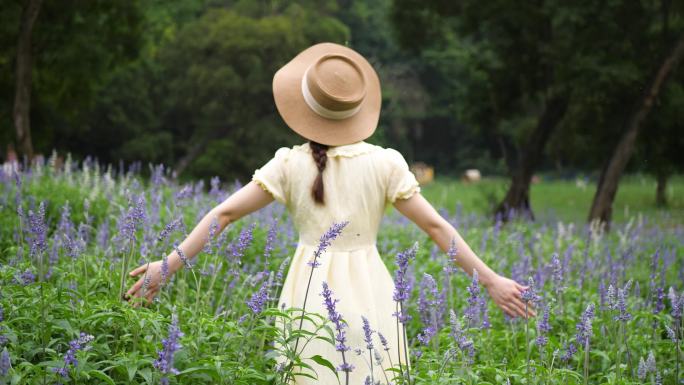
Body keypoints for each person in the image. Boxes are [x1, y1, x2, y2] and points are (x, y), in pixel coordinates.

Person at [124, 42, 534, 384]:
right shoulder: (385, 163)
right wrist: (491, 280)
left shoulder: (287, 164)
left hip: (307, 298)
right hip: (372, 296)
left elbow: (225, 214)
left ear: (304, 106)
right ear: (356, 110)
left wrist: (168, 265)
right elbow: (435, 227)